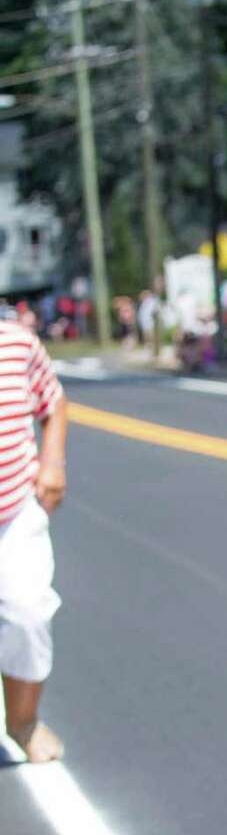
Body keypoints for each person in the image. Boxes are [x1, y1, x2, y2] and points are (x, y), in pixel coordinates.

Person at [0, 318, 68, 761]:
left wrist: (53, 461)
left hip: (14, 509)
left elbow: (54, 402)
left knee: (26, 614)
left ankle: (23, 721)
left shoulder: (17, 344)